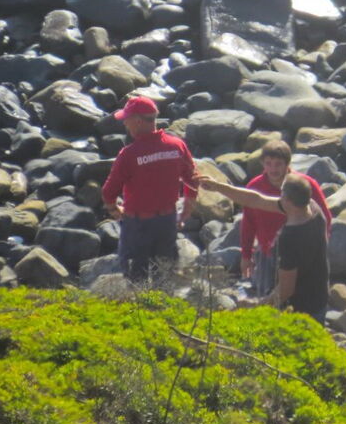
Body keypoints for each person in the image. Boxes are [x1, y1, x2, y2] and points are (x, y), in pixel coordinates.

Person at [197, 172, 330, 324]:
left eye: (282, 194)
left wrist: (258, 306)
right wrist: (219, 187)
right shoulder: (313, 208)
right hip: (319, 296)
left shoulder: (291, 237)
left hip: (302, 310)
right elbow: (257, 200)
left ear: (286, 200)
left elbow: (286, 289)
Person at [101, 96, 198, 282]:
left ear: (137, 121)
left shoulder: (129, 154)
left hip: (138, 225)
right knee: (165, 275)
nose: (125, 124)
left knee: (136, 278)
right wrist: (185, 211)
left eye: (126, 120)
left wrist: (115, 211)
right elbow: (193, 180)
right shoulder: (176, 146)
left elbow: (108, 192)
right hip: (167, 221)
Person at [237, 140, 331, 297]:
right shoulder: (254, 187)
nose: (273, 169)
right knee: (268, 297)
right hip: (267, 253)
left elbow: (324, 218)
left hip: (301, 251)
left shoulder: (305, 185)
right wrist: (246, 255)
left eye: (278, 164)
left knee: (304, 295)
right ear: (262, 163)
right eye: (269, 163)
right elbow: (248, 223)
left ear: (288, 164)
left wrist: (320, 249)